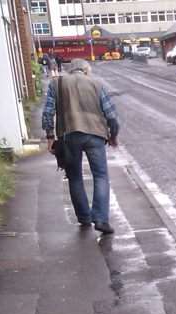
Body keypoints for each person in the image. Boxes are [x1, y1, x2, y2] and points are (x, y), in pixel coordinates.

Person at [42, 58, 120, 234]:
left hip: (69, 135)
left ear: (71, 70)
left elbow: (48, 112)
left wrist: (49, 137)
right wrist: (113, 135)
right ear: (85, 70)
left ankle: (84, 217)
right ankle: (101, 219)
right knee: (100, 176)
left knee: (75, 177)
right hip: (95, 134)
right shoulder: (96, 84)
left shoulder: (57, 83)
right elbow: (111, 115)